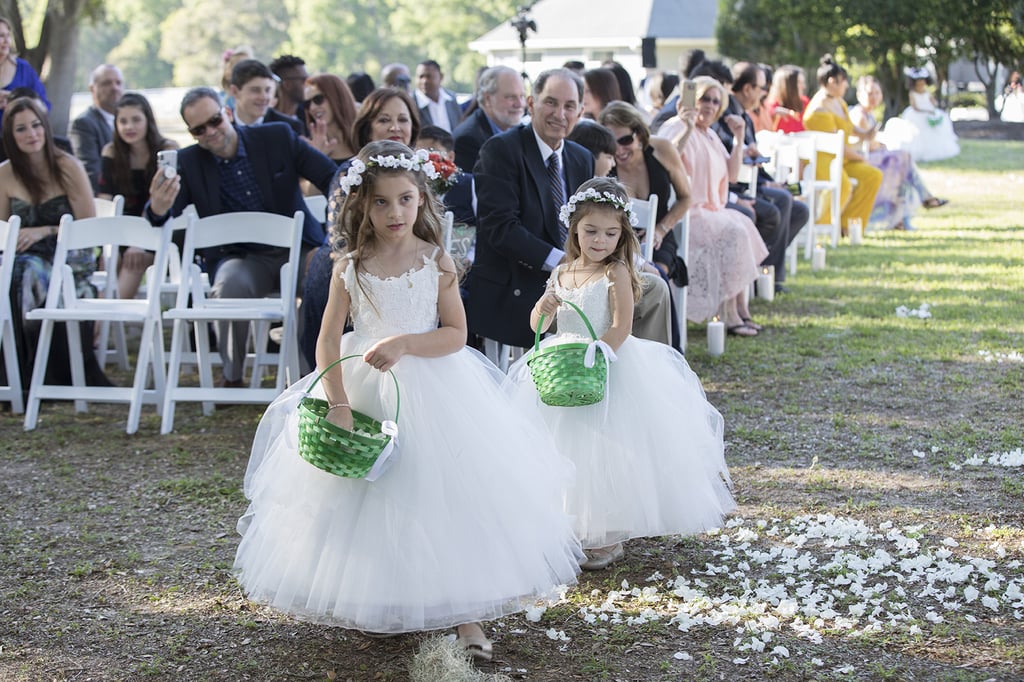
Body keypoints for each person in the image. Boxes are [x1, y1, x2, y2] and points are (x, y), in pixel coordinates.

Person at [233, 140, 582, 659]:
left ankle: (468, 618)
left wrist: (405, 345)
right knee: (371, 497)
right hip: (365, 386)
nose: (394, 212)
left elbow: (456, 334)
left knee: (450, 498)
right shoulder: (350, 264)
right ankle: (383, 598)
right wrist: (338, 401)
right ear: (361, 206)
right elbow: (327, 339)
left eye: (404, 199)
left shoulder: (435, 261)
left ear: (422, 201)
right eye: (380, 202)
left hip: (435, 387)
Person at [506, 177, 733, 571]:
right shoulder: (563, 271)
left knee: (604, 449)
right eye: (591, 231)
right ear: (574, 229)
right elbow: (539, 324)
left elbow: (621, 325)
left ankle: (605, 533)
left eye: (611, 234)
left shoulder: (617, 273)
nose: (600, 241)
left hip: (602, 360)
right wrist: (543, 304)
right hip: (564, 363)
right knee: (562, 445)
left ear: (622, 235)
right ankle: (568, 522)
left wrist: (599, 354)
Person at [144, 86, 337, 389]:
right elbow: (159, 217)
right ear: (192, 134)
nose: (210, 132)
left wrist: (335, 229)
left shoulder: (276, 137)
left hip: (299, 250)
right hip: (242, 258)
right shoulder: (189, 163)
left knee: (324, 275)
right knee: (229, 284)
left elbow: (332, 176)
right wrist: (159, 204)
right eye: (199, 129)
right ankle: (232, 374)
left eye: (215, 121)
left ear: (228, 113)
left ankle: (310, 376)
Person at [468, 67, 594, 351]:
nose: (559, 114)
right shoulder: (500, 150)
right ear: (531, 103)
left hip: (574, 279)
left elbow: (589, 223)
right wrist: (563, 263)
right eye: (550, 102)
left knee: (639, 295)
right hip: (516, 283)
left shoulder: (581, 157)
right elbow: (500, 228)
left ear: (580, 111)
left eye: (569, 106)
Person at [301, 86, 422, 370]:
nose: (395, 127)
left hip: (410, 261)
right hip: (352, 262)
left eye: (403, 119)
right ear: (367, 128)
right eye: (384, 120)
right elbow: (340, 239)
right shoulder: (350, 173)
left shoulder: (422, 173)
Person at [0, 97, 111, 393]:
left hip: (70, 257)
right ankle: (10, 373)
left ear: (46, 128)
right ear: (10, 135)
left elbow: (89, 228)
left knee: (24, 273)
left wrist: (43, 230)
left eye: (36, 125)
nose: (31, 134)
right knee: (14, 270)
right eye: (21, 129)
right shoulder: (5, 173)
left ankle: (34, 376)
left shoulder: (68, 166)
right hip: (20, 256)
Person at [658, 77, 769, 335]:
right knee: (734, 233)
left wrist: (739, 138)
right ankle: (729, 315)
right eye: (704, 99)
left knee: (744, 224)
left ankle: (740, 309)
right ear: (692, 100)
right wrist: (686, 125)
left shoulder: (710, 134)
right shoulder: (676, 126)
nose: (709, 106)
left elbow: (731, 175)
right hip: (686, 213)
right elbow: (667, 159)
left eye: (715, 101)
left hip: (710, 210)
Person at [567, 121, 674, 346]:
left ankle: (658, 354)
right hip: (579, 269)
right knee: (654, 284)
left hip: (606, 262)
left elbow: (614, 236)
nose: (614, 162)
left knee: (656, 281)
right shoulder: (579, 196)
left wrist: (637, 261)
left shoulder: (606, 196)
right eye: (609, 155)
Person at [97, 92, 178, 299]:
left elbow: (168, 201)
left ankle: (103, 326)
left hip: (156, 229)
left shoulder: (167, 150)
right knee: (109, 260)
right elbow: (105, 199)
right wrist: (108, 242)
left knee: (132, 264)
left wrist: (139, 242)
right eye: (122, 121)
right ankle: (101, 326)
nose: (129, 127)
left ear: (148, 121)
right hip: (121, 231)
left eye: (135, 120)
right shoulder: (112, 151)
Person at [850, 76, 948, 230]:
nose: (874, 97)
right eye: (870, 93)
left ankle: (901, 218)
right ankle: (923, 199)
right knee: (903, 159)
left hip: (873, 159)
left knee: (903, 168)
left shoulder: (870, 115)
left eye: (877, 93)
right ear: (859, 95)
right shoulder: (859, 116)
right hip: (862, 160)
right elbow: (862, 145)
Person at [802, 54, 883, 235]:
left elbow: (848, 127)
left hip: (842, 160)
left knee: (872, 176)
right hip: (824, 160)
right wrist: (859, 156)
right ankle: (823, 228)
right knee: (843, 185)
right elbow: (833, 145)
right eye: (844, 81)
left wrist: (865, 134)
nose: (846, 85)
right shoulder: (818, 110)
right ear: (832, 81)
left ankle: (849, 225)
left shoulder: (839, 101)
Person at [452, 65, 526, 172]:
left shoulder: (520, 130)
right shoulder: (467, 140)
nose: (519, 104)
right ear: (488, 99)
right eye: (510, 97)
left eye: (522, 96)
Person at [885, 66, 959, 162]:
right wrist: (926, 111)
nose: (921, 83)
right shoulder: (912, 93)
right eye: (919, 81)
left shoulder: (926, 92)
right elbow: (915, 107)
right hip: (918, 113)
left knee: (943, 118)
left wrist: (933, 107)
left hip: (929, 111)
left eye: (922, 81)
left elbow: (933, 102)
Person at [70, 64, 124, 193]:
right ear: (92, 89)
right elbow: (91, 173)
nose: (114, 88)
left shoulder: (129, 121)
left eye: (118, 83)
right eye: (107, 83)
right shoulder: (83, 124)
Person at [0, 17, 49, 131]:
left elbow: (43, 105)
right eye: (1, 36)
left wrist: (16, 100)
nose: (7, 41)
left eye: (8, 35)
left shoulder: (24, 69)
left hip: (18, 140)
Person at [228, 59, 302, 134]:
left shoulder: (289, 127)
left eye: (267, 90)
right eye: (255, 90)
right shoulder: (221, 126)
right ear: (235, 91)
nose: (264, 97)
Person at [302, 73, 358, 165]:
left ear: (337, 97)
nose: (312, 108)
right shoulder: (310, 148)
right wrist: (316, 158)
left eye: (318, 99)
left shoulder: (367, 137)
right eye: (307, 104)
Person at [413, 60, 462, 133]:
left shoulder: (451, 98)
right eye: (421, 77)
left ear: (441, 77)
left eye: (429, 76)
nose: (424, 81)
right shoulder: (411, 102)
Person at [268, 54, 309, 130]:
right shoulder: (263, 119)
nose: (308, 84)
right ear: (287, 84)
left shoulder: (310, 118)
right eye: (304, 80)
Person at [764, 65, 807, 134]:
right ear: (787, 85)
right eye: (799, 82)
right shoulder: (770, 108)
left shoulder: (805, 102)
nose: (804, 86)